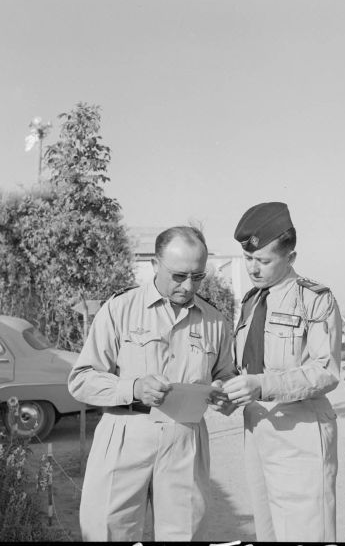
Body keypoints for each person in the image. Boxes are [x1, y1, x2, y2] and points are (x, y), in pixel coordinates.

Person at [68, 226, 237, 542]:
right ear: (155, 264)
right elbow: (81, 380)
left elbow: (226, 375)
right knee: (108, 531)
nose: (188, 286)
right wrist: (133, 388)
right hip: (124, 433)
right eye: (179, 276)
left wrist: (225, 393)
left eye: (198, 277)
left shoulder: (214, 320)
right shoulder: (120, 309)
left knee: (185, 534)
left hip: (185, 439)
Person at [222, 202, 342, 542]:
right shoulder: (251, 301)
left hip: (299, 429)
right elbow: (246, 364)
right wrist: (228, 391)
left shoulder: (314, 299)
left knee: (306, 531)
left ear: (291, 257)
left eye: (263, 261)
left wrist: (261, 385)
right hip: (257, 427)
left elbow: (325, 371)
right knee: (269, 530)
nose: (253, 268)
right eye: (248, 259)